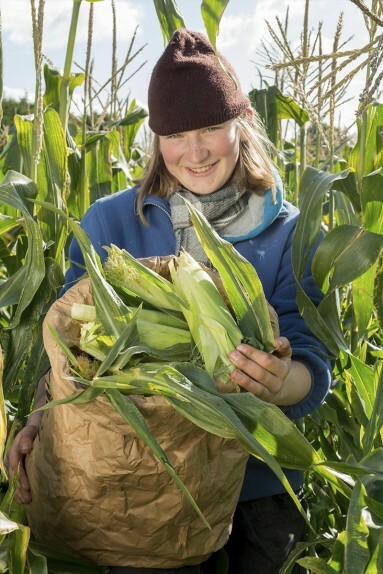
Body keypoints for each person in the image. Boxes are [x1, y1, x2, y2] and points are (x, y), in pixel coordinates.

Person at [6, 29, 332, 574]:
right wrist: (42, 419)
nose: (196, 151)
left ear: (241, 124)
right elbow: (69, 353)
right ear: (156, 138)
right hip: (139, 493)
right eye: (176, 133)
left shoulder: (290, 231)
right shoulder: (109, 224)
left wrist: (280, 380)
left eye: (211, 127)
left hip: (255, 495)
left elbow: (311, 362)